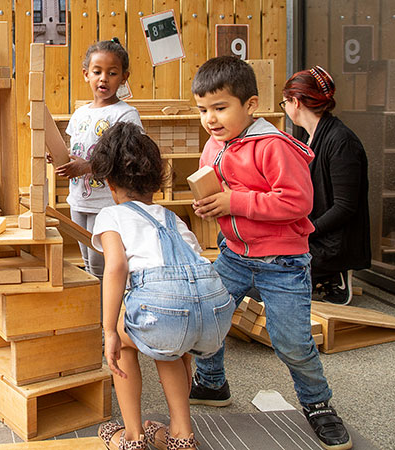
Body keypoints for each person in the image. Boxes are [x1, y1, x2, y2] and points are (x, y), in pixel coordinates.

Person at [189, 56, 352, 450]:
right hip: (233, 255)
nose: (210, 119)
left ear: (251, 105)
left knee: (292, 341)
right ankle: (212, 383)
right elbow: (225, 197)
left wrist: (235, 202)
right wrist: (211, 205)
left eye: (220, 108)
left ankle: (318, 405)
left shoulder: (275, 146)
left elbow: (297, 202)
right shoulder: (214, 146)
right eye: (202, 110)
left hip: (283, 263)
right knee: (206, 318)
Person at [92, 122, 233, 450]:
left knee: (125, 345)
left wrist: (109, 329)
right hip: (213, 314)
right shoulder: (174, 218)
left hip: (169, 313)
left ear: (110, 184)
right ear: (155, 180)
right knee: (171, 346)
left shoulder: (112, 216)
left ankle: (132, 436)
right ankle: (182, 435)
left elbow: (115, 267)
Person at [281, 66, 370, 305]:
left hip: (332, 241)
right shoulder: (307, 138)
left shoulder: (342, 141)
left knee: (269, 282)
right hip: (312, 232)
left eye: (284, 103)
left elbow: (345, 208)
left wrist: (305, 231)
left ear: (296, 103)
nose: (286, 108)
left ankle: (334, 273)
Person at [56, 38, 143, 279]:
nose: (103, 78)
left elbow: (128, 159)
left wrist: (87, 167)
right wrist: (57, 156)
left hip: (106, 203)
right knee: (87, 261)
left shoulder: (126, 114)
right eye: (97, 72)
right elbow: (75, 150)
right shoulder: (80, 113)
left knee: (101, 263)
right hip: (78, 200)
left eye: (112, 73)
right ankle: (98, 306)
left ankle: (109, 309)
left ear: (124, 77)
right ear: (86, 74)